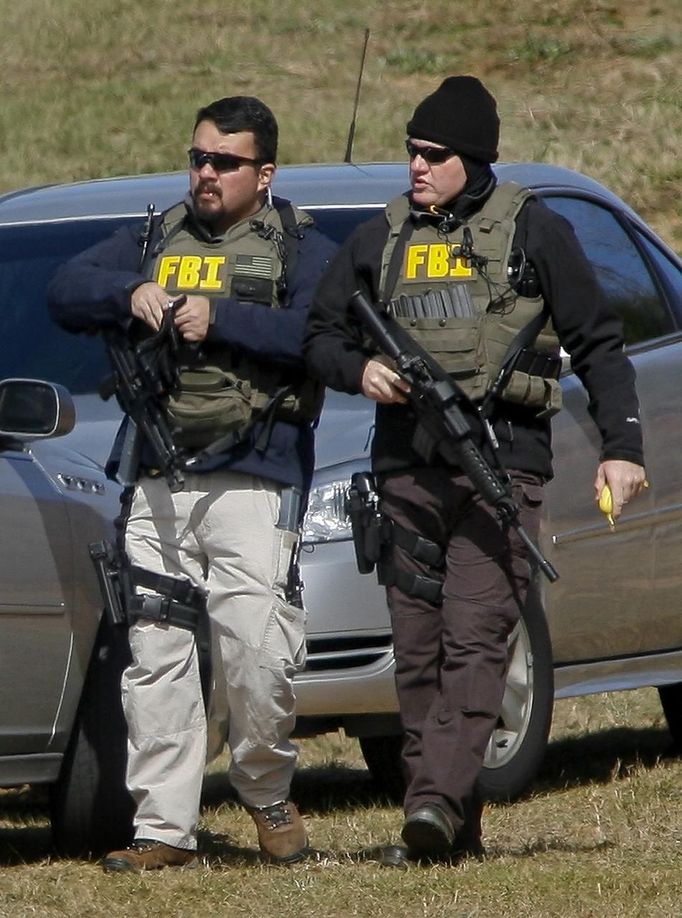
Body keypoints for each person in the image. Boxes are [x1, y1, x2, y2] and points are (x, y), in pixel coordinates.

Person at [303, 75, 647, 866]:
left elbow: (598, 340)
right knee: (418, 650)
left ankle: (428, 804)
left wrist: (623, 447)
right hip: (405, 470)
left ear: (475, 159)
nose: (417, 167)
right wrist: (361, 373)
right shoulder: (380, 237)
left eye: (434, 155)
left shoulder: (535, 230)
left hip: (503, 463)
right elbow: (321, 335)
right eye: (411, 153)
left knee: (477, 640)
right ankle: (453, 825)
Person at [48, 95, 337, 872]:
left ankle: (267, 791)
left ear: (264, 172)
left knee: (257, 659)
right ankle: (163, 831)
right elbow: (65, 289)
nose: (205, 173)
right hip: (157, 477)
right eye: (198, 158)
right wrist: (128, 293)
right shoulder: (152, 235)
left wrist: (221, 318)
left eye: (224, 162)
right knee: (156, 660)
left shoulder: (301, 248)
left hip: (254, 475)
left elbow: (323, 337)